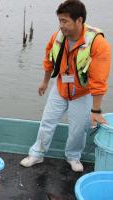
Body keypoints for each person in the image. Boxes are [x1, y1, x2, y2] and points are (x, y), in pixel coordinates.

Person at [20, 0, 111, 172]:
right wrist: (45, 81)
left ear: (79, 20)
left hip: (82, 93)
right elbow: (49, 60)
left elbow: (99, 79)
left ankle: (73, 156)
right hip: (60, 87)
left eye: (65, 21)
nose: (61, 26)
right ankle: (37, 153)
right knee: (47, 121)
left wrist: (96, 110)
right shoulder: (57, 37)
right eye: (59, 21)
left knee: (78, 129)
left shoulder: (98, 43)